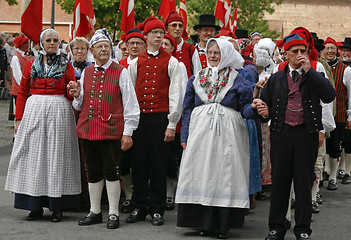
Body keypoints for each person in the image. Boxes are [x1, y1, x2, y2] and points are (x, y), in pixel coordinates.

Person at [175, 38, 266, 239]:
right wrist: (185, 134)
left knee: (223, 175)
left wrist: (252, 107)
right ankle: (202, 223)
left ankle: (222, 225)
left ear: (225, 55)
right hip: (200, 134)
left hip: (228, 134)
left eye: (217, 53)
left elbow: (244, 108)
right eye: (210, 53)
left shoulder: (237, 79)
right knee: (201, 173)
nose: (213, 56)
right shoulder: (196, 78)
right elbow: (187, 108)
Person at [259, 33, 336, 240]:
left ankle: (302, 229)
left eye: (303, 51)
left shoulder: (315, 74)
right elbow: (264, 107)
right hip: (281, 135)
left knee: (303, 184)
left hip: (306, 135)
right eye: (295, 51)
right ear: (286, 54)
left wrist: (309, 71)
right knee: (280, 184)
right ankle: (276, 227)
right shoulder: (276, 77)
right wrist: (263, 111)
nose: (300, 55)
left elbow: (329, 95)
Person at [5, 28, 81, 222]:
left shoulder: (66, 64)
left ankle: (57, 207)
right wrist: (19, 118)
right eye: (48, 40)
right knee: (34, 156)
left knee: (56, 156)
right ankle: (34, 206)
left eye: (55, 40)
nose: (52, 43)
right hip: (34, 110)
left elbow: (71, 89)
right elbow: (22, 92)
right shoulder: (32, 63)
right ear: (41, 42)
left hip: (58, 112)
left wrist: (73, 92)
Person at [68, 28, 140, 229]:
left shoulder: (121, 71)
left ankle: (114, 213)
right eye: (99, 47)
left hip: (111, 130)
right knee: (92, 172)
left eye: (106, 46)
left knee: (112, 171)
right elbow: (79, 104)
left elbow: (131, 105)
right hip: (88, 130)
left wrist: (128, 132)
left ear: (111, 48)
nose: (103, 50)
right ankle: (95, 211)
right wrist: (76, 95)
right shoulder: (87, 72)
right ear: (92, 50)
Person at [126, 16, 182, 226]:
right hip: (140, 119)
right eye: (154, 33)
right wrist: (129, 124)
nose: (159, 36)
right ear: (146, 36)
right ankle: (139, 206)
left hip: (160, 118)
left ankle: (157, 209)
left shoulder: (172, 62)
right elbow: (130, 95)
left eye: (161, 33)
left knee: (159, 164)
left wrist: (171, 124)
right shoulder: (135, 63)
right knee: (138, 163)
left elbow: (176, 94)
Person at [322, 37, 350, 189]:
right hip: (321, 114)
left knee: (334, 146)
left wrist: (349, 115)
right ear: (323, 51)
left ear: (337, 51)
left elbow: (350, 94)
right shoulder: (319, 66)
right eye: (327, 48)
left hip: (338, 114)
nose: (330, 51)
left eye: (333, 48)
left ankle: (333, 176)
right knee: (322, 146)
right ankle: (323, 174)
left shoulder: (346, 70)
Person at [164, 10, 201, 77]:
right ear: (167, 28)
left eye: (180, 26)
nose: (177, 28)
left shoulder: (191, 49)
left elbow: (198, 76)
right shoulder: (161, 48)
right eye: (174, 25)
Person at [8, 35, 31, 121]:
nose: (28, 46)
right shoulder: (15, 58)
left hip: (26, 90)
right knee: (19, 113)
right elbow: (18, 76)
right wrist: (25, 87)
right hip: (19, 90)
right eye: (27, 44)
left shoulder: (26, 56)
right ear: (22, 45)